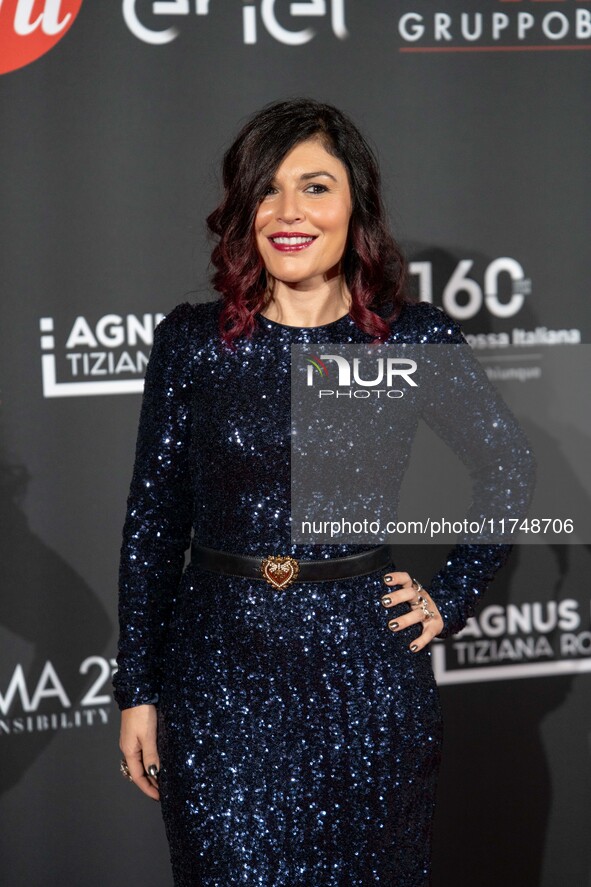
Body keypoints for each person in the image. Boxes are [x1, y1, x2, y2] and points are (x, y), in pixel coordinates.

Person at [113, 98, 534, 886]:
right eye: (266, 190)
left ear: (354, 205)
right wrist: (137, 689)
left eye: (314, 187)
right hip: (219, 686)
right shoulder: (196, 342)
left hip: (366, 684)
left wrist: (449, 593)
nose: (288, 212)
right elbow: (153, 521)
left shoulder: (409, 338)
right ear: (244, 211)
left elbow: (508, 467)